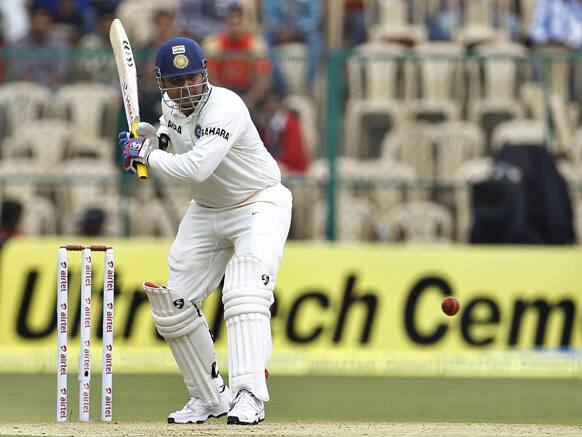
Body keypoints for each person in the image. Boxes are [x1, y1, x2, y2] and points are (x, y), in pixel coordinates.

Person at [118, 37, 292, 425]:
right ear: (162, 83)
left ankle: (249, 396)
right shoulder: (169, 106)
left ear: (205, 74)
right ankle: (210, 398)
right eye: (176, 82)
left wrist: (147, 155)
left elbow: (196, 168)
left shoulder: (225, 106)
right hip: (207, 209)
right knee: (172, 306)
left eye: (192, 78)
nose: (185, 89)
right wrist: (147, 141)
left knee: (244, 292)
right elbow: (170, 142)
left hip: (258, 204)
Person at [204, 4, 273, 111]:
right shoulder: (215, 43)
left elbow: (263, 80)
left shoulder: (255, 43)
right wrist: (225, 99)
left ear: (244, 23)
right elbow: (210, 77)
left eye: (238, 24)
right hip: (223, 92)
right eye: (232, 23)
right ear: (226, 22)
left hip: (249, 92)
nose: (235, 28)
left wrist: (249, 100)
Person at [257, 93, 309, 174]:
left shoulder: (290, 123)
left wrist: (277, 161)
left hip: (292, 167)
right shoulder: (265, 124)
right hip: (273, 161)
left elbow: (293, 150)